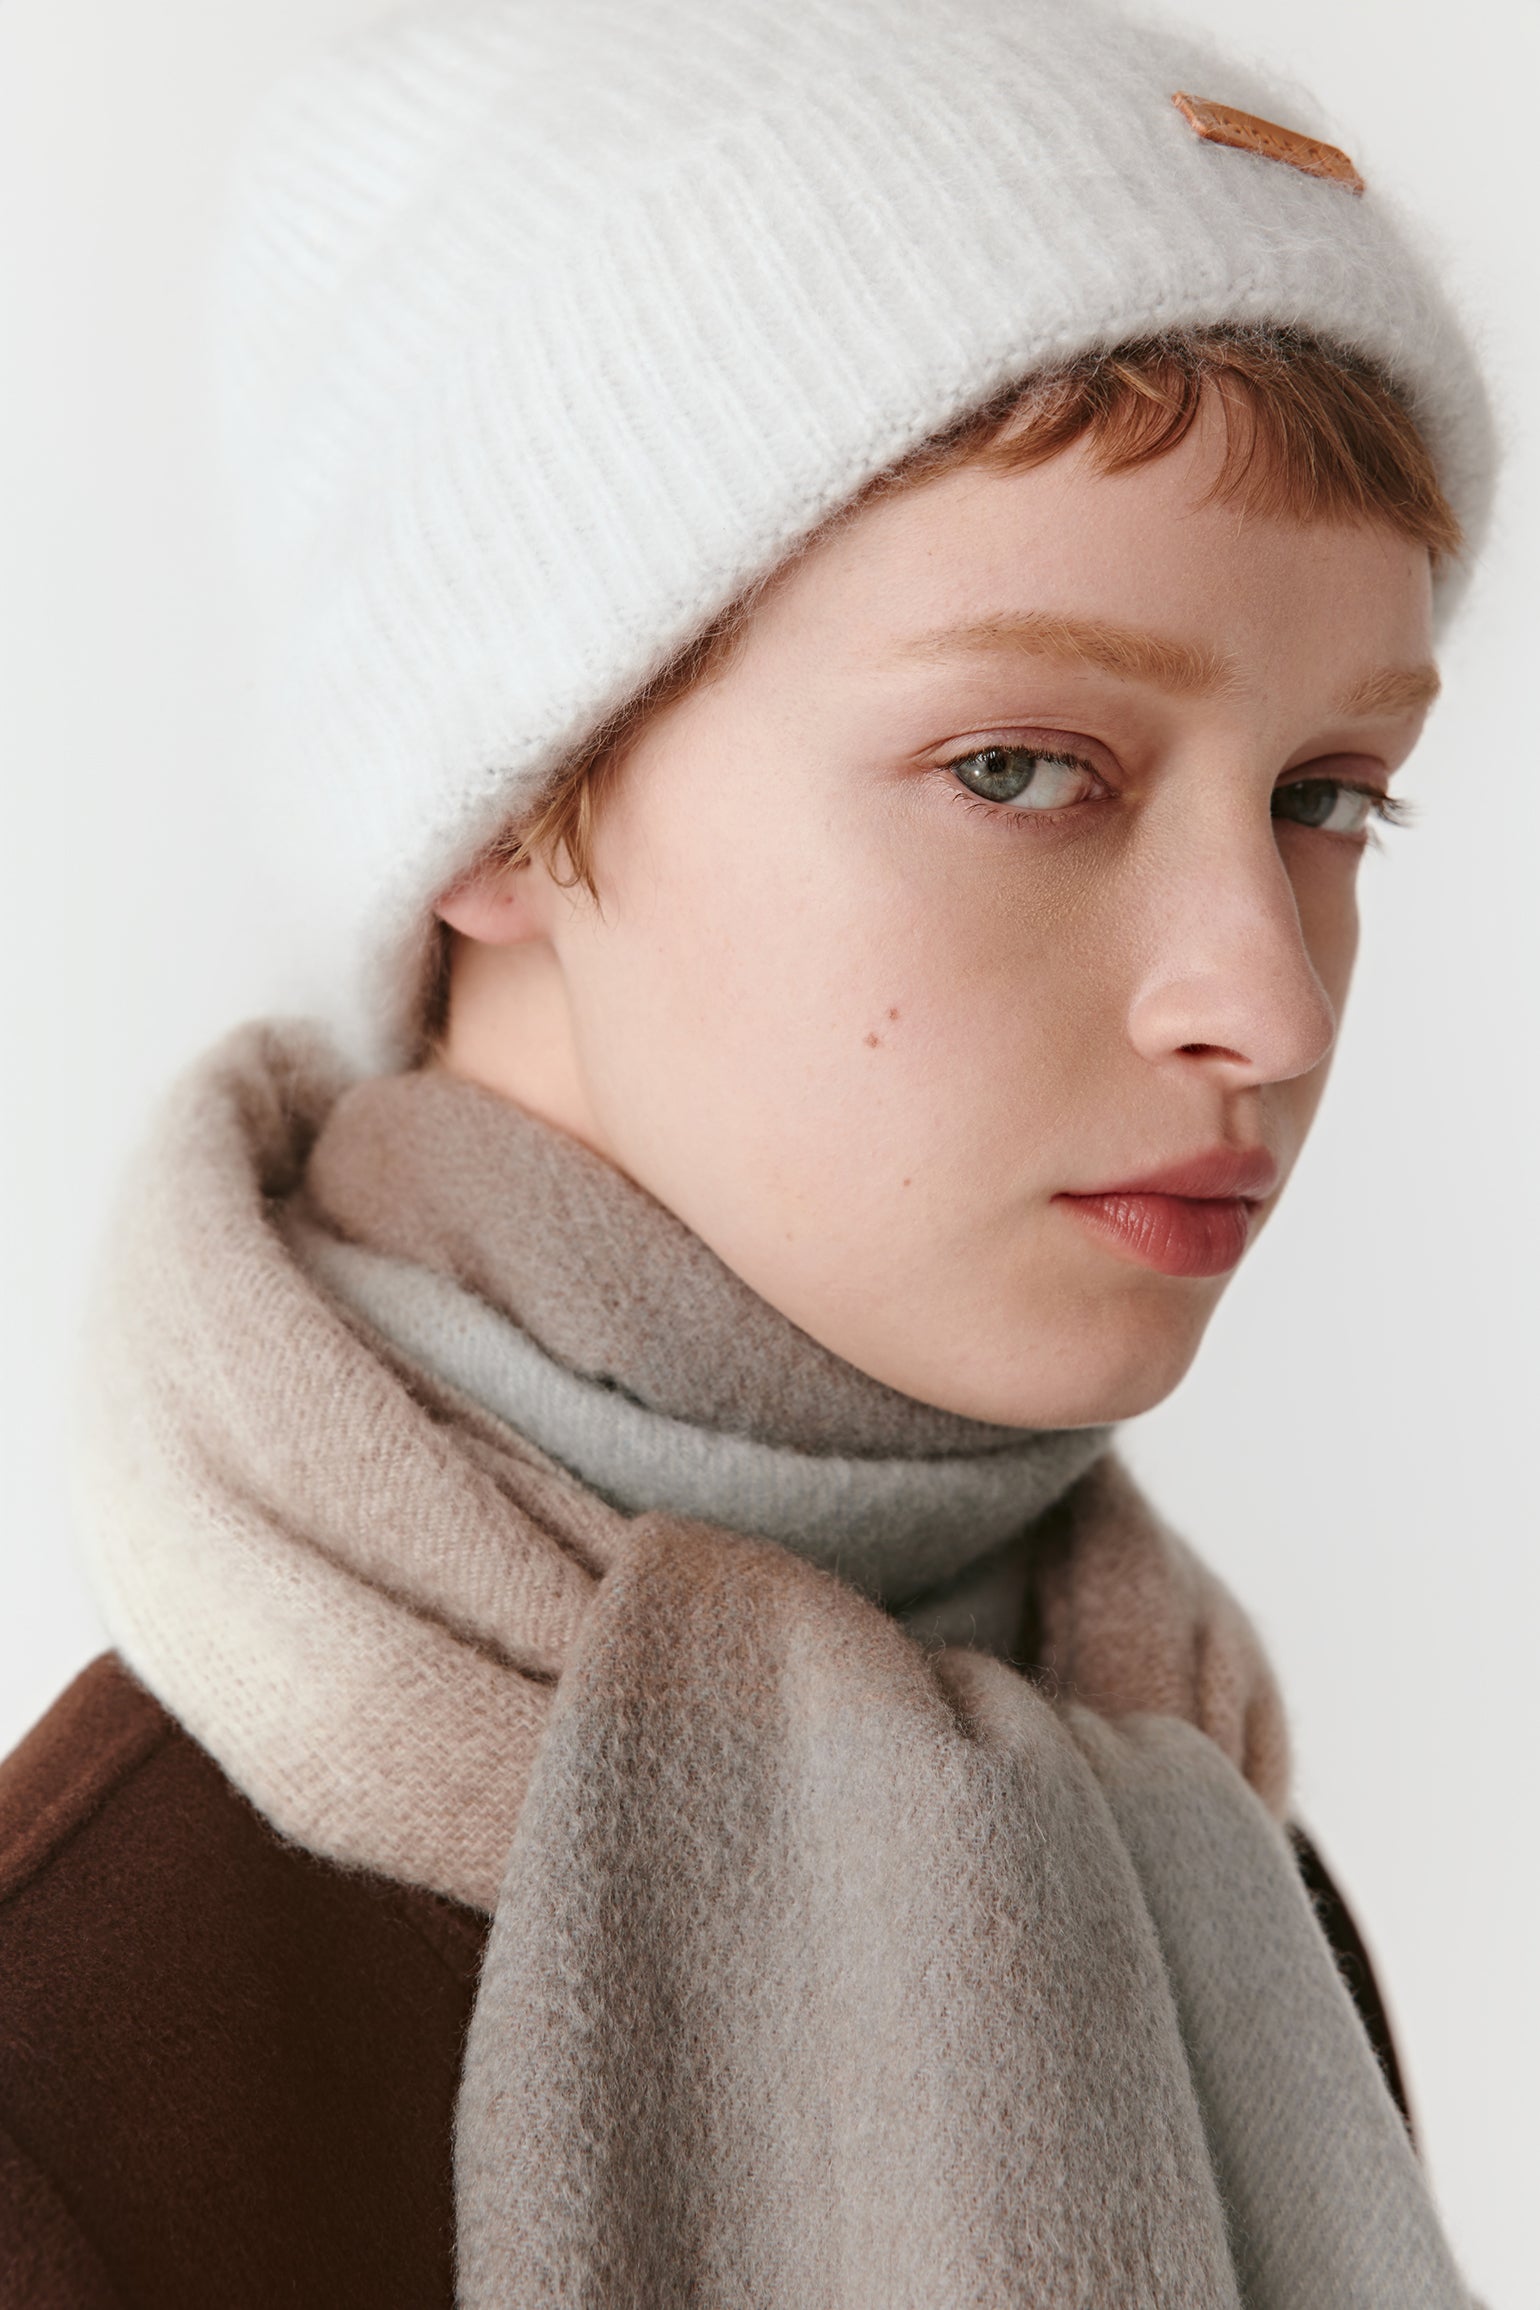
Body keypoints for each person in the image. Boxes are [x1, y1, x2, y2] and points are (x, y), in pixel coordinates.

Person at [0, 0, 1494, 2303]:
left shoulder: (1190, 1848)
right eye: (1022, 768)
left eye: (1323, 800)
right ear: (508, 793)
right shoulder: (79, 2058)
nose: (1265, 1004)